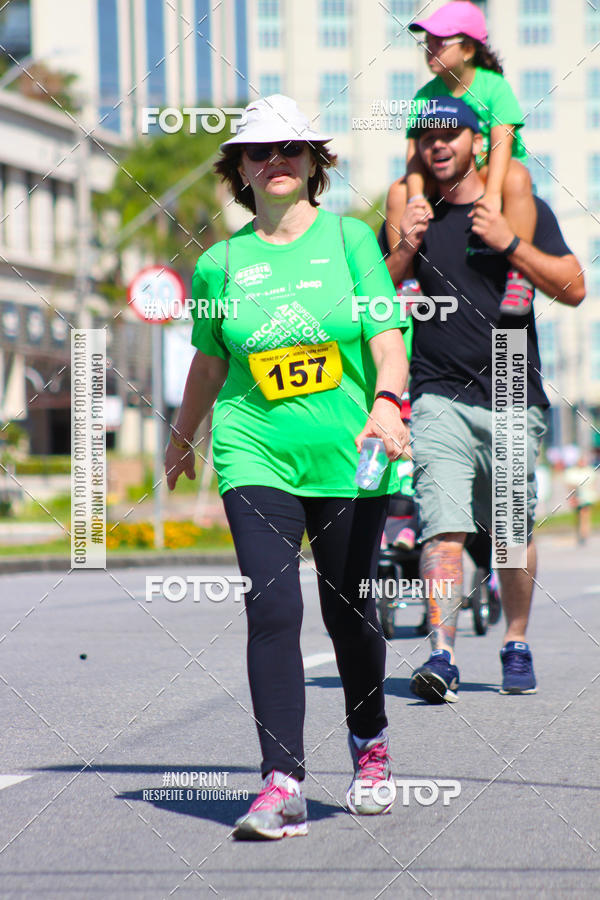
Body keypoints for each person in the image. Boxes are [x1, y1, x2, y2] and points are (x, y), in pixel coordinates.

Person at [165, 94, 411, 838]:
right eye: (258, 152)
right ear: (238, 168)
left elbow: (387, 334)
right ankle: (282, 784)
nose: (275, 162)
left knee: (349, 611)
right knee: (272, 608)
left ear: (314, 163)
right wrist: (182, 437)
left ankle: (369, 745)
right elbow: (210, 364)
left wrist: (390, 402)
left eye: (290, 150)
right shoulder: (221, 262)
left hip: (352, 451)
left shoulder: (349, 242)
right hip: (254, 449)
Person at [382, 96, 584, 703]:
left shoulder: (518, 209)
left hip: (512, 390)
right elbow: (369, 298)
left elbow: (574, 287)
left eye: (452, 134)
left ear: (477, 142)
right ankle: (441, 654)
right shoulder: (414, 214)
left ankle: (514, 641)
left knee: (509, 533)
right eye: (426, 136)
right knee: (441, 530)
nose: (438, 144)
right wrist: (403, 249)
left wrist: (509, 243)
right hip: (437, 391)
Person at [388, 0, 536, 315]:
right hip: (447, 180)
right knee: (399, 192)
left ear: (468, 49)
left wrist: (494, 194)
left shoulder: (494, 87)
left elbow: (502, 142)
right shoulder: (425, 96)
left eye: (440, 42)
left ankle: (520, 277)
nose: (430, 48)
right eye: (427, 42)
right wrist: (416, 199)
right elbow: (415, 156)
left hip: (491, 172)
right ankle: (407, 283)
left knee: (518, 176)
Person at [565, 454, 597, 544]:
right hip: (576, 497)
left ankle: (584, 533)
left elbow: (593, 484)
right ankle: (580, 532)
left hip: (586, 497)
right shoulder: (572, 471)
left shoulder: (589, 470)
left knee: (585, 514)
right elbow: (569, 485)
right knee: (578, 516)